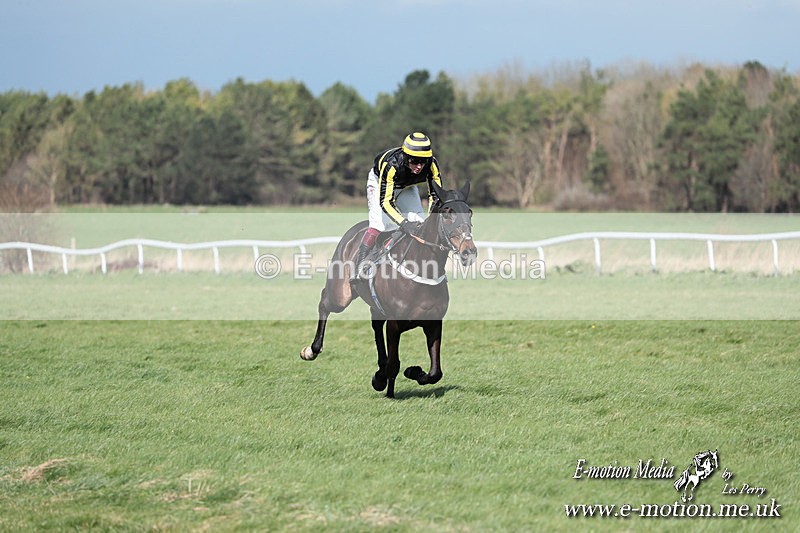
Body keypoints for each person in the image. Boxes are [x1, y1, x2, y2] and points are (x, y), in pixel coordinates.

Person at [353, 132, 444, 279]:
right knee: (379, 225)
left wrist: (431, 219)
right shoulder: (392, 165)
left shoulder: (431, 165)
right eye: (415, 160)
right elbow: (386, 202)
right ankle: (359, 266)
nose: (419, 166)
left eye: (423, 160)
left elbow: (436, 196)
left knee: (420, 224)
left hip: (407, 186)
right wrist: (403, 223)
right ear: (406, 156)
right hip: (379, 183)